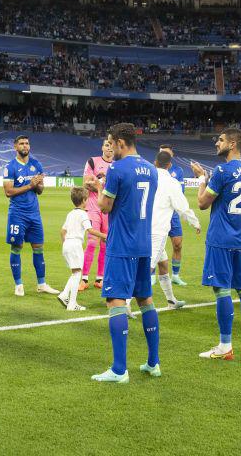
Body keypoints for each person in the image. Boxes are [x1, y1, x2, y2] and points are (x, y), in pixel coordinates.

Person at [91, 123, 161, 383]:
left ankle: (119, 370)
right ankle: (153, 362)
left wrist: (98, 189)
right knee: (146, 300)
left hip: (122, 244)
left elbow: (106, 207)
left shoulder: (117, 168)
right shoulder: (152, 169)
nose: (110, 149)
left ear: (121, 142)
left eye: (112, 143)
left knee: (116, 302)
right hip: (144, 244)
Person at [192, 128, 241, 360]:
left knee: (221, 288)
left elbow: (202, 203)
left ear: (232, 144)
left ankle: (224, 345)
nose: (216, 143)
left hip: (221, 238)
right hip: (240, 238)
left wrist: (202, 180)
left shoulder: (222, 170)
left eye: (220, 140)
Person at [3, 135, 58, 296]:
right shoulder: (10, 167)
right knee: (16, 247)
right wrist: (30, 184)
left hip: (34, 214)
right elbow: (8, 192)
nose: (25, 146)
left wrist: (39, 184)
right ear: (15, 147)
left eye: (27, 143)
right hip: (17, 214)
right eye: (21, 143)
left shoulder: (36, 164)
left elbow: (40, 191)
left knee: (38, 248)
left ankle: (42, 284)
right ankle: (18, 285)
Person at [151, 150, 200, 308]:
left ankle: (171, 300)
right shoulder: (172, 183)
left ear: (154, 163)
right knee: (146, 269)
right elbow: (182, 207)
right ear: (169, 165)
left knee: (163, 264)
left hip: (141, 227)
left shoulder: (147, 177)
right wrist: (195, 223)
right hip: (157, 231)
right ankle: (126, 304)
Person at [58, 188, 105, 311]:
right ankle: (72, 304)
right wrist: (104, 236)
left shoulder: (70, 214)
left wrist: (66, 243)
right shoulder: (83, 214)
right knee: (77, 274)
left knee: (75, 273)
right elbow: (90, 230)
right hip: (75, 244)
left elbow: (62, 231)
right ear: (84, 200)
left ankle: (64, 295)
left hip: (67, 244)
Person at [80, 138, 113, 290]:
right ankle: (84, 279)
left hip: (109, 209)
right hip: (93, 207)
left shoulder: (118, 165)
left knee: (105, 244)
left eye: (111, 145)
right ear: (102, 147)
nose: (109, 148)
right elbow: (86, 183)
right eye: (107, 145)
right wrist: (103, 184)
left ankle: (100, 278)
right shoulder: (92, 161)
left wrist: (98, 183)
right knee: (92, 242)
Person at [158, 145, 188, 286]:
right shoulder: (154, 170)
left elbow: (180, 192)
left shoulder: (178, 171)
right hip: (159, 212)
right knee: (156, 244)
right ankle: (153, 276)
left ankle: (175, 275)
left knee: (177, 244)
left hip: (173, 213)